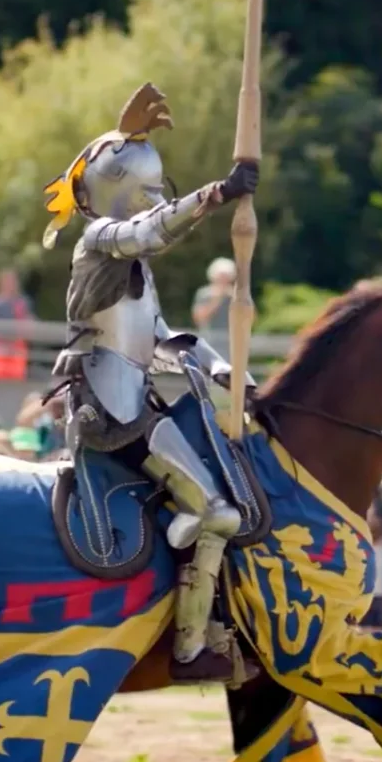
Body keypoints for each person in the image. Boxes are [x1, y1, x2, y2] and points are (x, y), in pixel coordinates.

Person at [42, 83, 258, 683]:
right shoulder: (101, 241)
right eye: (149, 190)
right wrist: (216, 193)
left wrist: (228, 374)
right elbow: (149, 231)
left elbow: (164, 335)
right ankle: (189, 648)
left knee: (221, 498)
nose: (155, 198)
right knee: (215, 512)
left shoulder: (132, 269)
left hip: (139, 398)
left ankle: (204, 620)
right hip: (111, 409)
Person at [191, 257, 236, 334]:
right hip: (210, 338)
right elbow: (199, 318)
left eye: (226, 276)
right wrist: (217, 299)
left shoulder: (235, 295)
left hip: (230, 339)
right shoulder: (204, 294)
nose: (224, 279)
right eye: (221, 276)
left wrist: (236, 299)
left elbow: (250, 320)